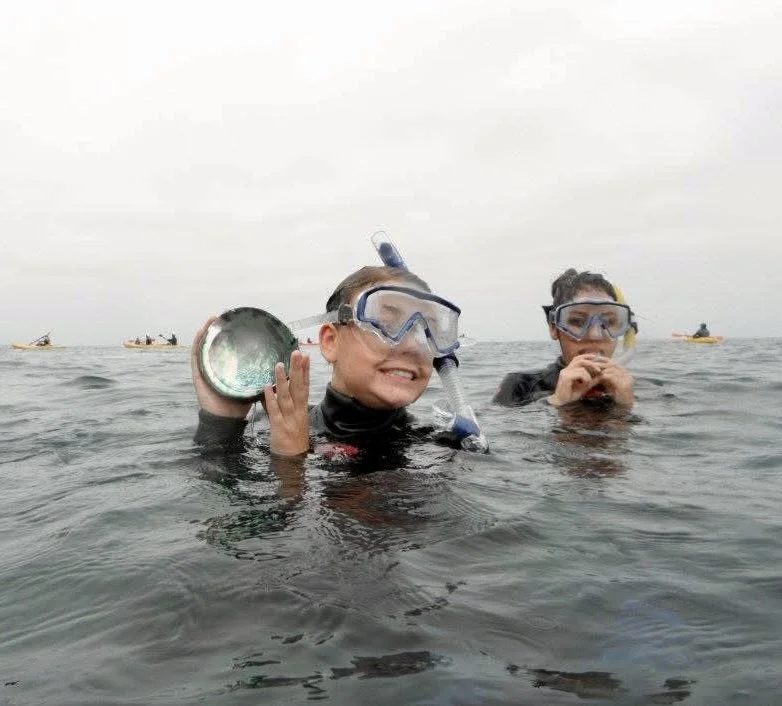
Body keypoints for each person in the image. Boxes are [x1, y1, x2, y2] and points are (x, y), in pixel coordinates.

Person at [193, 265, 465, 456]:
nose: (412, 345)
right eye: (386, 322)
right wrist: (221, 424)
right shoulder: (265, 429)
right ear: (330, 341)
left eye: (428, 328)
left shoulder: (444, 446)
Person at [493, 269, 636, 409]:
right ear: (554, 328)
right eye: (578, 321)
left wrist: (626, 407)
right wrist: (554, 403)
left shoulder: (639, 389)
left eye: (609, 322)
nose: (595, 335)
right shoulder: (521, 386)